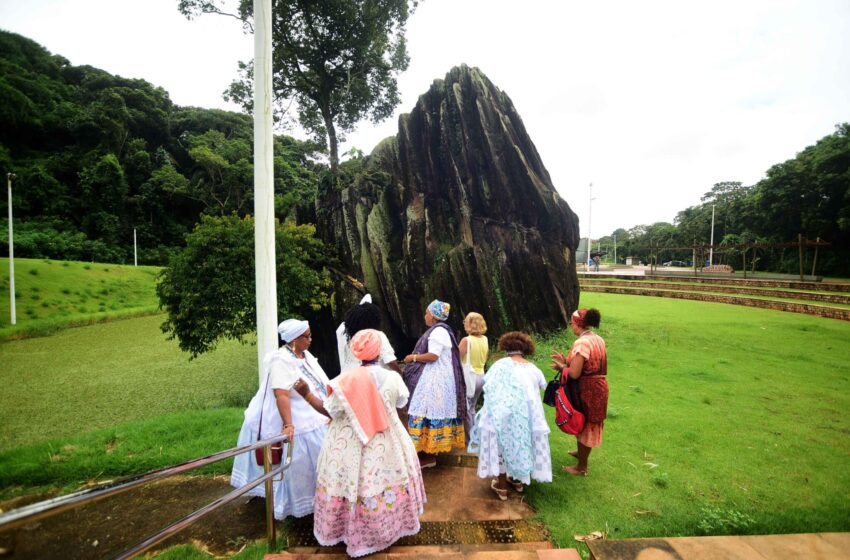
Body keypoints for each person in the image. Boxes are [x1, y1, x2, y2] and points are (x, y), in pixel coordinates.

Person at [295, 329, 425, 557]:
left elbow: (329, 410)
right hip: (389, 439)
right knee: (386, 481)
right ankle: (389, 528)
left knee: (354, 483)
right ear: (379, 350)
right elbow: (401, 402)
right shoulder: (393, 377)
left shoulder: (344, 381)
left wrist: (306, 394)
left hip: (348, 444)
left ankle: (352, 534)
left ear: (355, 351)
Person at [230, 318, 331, 519]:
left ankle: (317, 498)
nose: (311, 339)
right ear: (294, 339)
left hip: (311, 410)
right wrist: (288, 424)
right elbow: (281, 394)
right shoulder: (281, 360)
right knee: (295, 459)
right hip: (292, 415)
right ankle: (290, 503)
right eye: (307, 336)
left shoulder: (305, 355)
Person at [468, 332, 552, 500]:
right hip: (528, 416)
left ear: (505, 347)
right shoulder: (533, 368)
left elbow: (487, 383)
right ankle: (517, 480)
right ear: (526, 349)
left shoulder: (500, 365)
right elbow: (543, 385)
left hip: (503, 414)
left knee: (502, 445)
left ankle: (502, 486)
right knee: (521, 443)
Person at [401, 299, 467, 468]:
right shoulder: (442, 331)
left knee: (423, 410)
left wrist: (412, 358)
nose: (425, 316)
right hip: (438, 378)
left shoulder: (437, 332)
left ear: (433, 315)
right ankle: (430, 452)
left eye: (426, 313)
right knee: (428, 411)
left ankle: (426, 455)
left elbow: (433, 356)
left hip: (434, 380)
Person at [551, 308, 608, 476]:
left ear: (578, 324)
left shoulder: (582, 343)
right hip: (599, 387)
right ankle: (581, 453)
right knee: (587, 422)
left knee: (585, 423)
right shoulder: (597, 339)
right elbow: (586, 364)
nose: (571, 326)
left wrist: (562, 367)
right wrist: (566, 361)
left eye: (572, 323)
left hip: (587, 390)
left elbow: (575, 373)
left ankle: (582, 467)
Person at [336, 294, 401, 374]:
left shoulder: (341, 330)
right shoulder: (376, 335)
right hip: (371, 379)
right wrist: (401, 374)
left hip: (346, 377)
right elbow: (390, 361)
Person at [459, 312, 489, 433]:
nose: (464, 323)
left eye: (465, 321)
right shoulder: (485, 339)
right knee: (472, 408)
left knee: (466, 409)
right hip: (481, 376)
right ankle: (476, 434)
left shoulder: (466, 340)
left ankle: (471, 438)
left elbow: (455, 359)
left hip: (469, 377)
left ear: (471, 324)